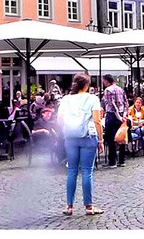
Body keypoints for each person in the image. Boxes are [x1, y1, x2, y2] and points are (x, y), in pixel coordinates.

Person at [57, 73, 104, 216]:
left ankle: (69, 206)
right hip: (88, 136)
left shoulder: (66, 99)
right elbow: (97, 120)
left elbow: (60, 119)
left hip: (71, 137)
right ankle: (89, 207)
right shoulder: (93, 99)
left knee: (72, 171)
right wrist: (101, 140)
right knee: (87, 172)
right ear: (87, 85)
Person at [100, 75, 127, 168]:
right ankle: (122, 160)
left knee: (110, 138)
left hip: (112, 115)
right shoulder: (120, 89)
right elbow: (126, 102)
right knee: (121, 137)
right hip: (121, 113)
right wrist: (123, 115)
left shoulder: (108, 90)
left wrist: (118, 115)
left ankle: (112, 161)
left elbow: (112, 104)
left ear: (106, 81)